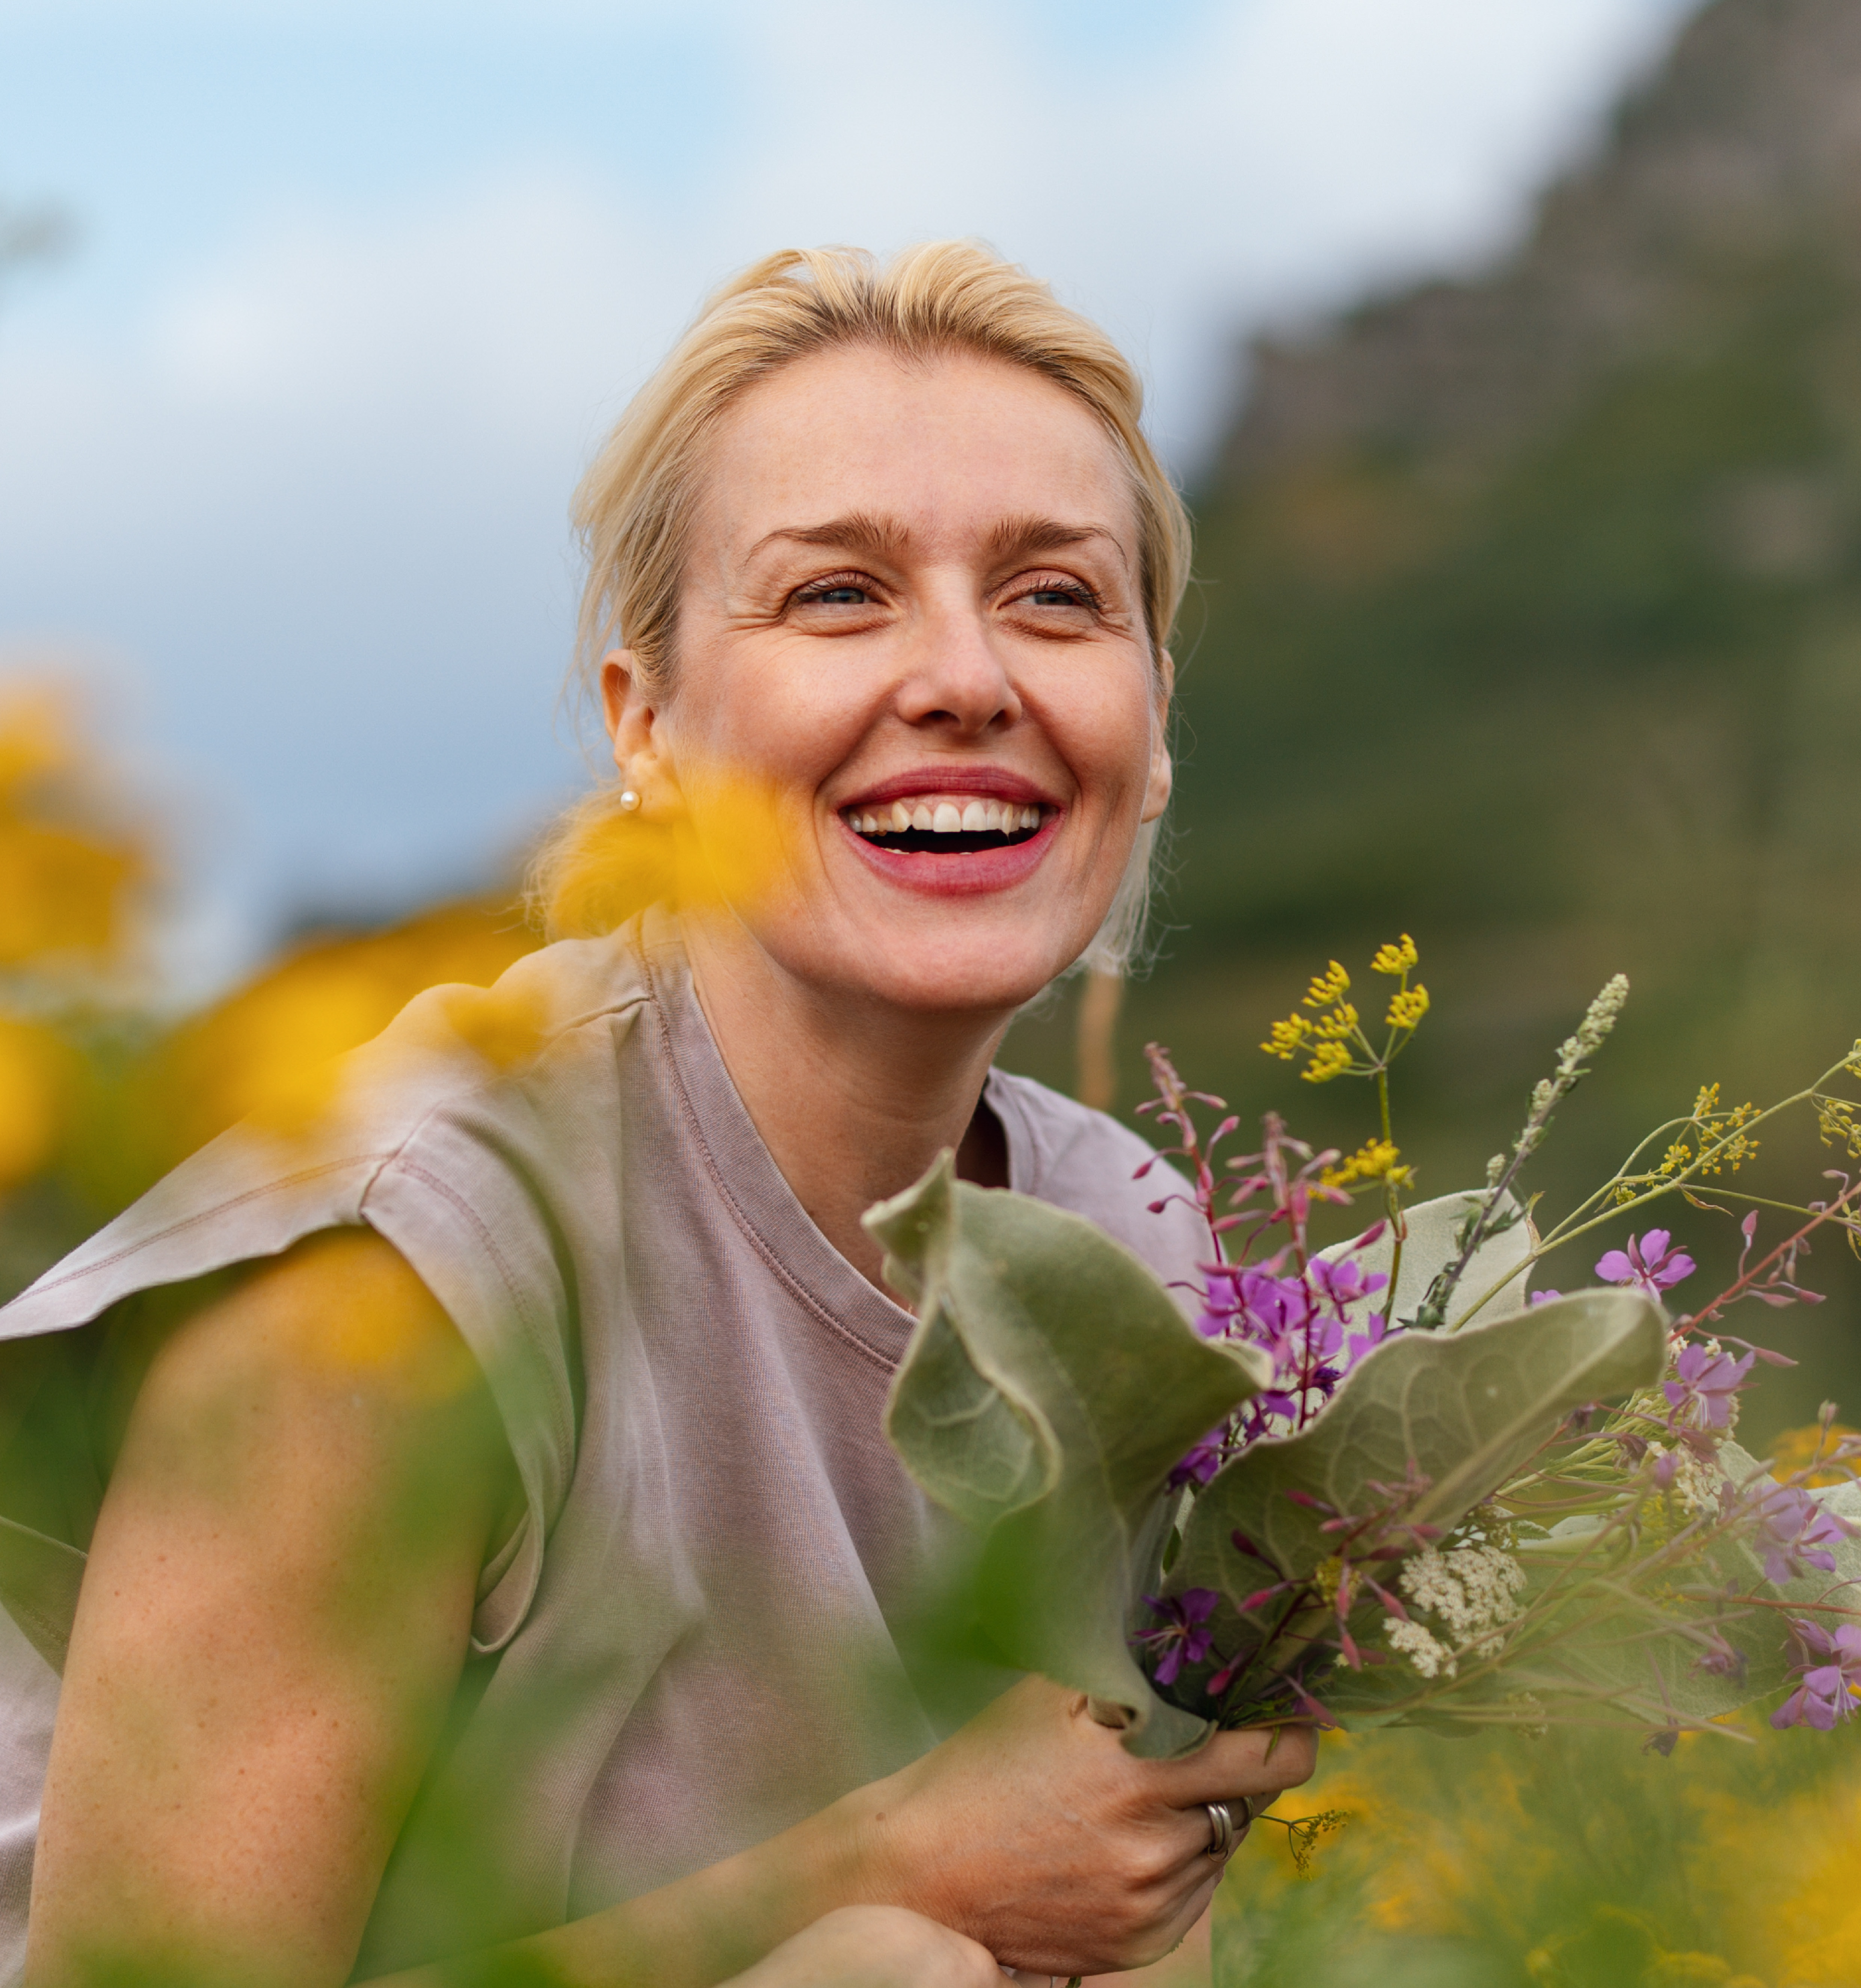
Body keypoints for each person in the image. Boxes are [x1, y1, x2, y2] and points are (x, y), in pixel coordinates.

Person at [0, 243, 1315, 1987]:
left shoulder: (1122, 1239)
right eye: (837, 596)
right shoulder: (400, 1261)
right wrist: (893, 1865)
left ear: (1151, 734)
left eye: (1060, 599)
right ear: (651, 731)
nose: (967, 678)